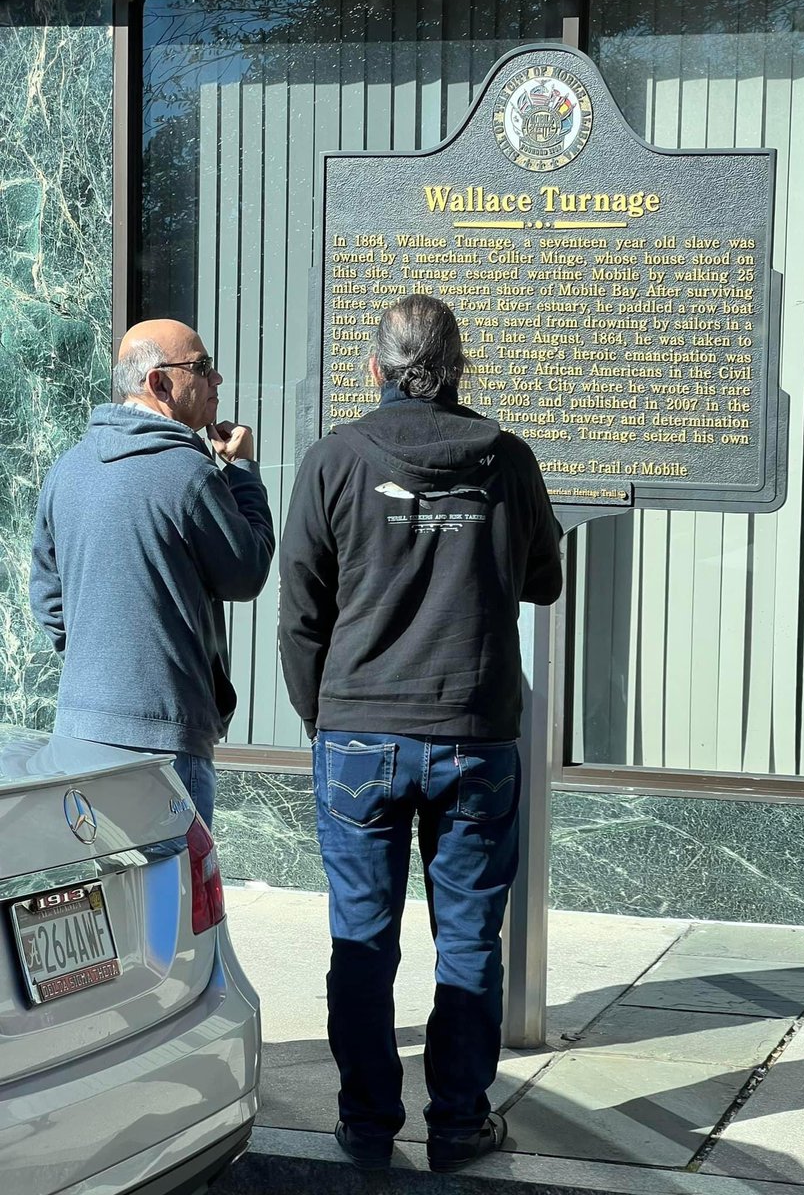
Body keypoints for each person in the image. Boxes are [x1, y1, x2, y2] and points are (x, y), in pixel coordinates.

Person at [278, 295, 563, 1173]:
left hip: (360, 733)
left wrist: (323, 723)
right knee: (471, 934)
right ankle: (456, 1122)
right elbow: (544, 582)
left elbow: (299, 618)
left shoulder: (333, 461)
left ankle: (367, 1124)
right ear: (459, 367)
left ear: (376, 369)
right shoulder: (506, 460)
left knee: (361, 935)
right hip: (473, 731)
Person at [30, 319, 275, 829]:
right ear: (159, 383)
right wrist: (244, 472)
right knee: (176, 899)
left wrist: (103, 667)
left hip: (78, 732)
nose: (217, 380)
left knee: (106, 895)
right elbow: (246, 573)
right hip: (165, 739)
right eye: (202, 368)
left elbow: (49, 603)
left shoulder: (66, 470)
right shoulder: (189, 473)